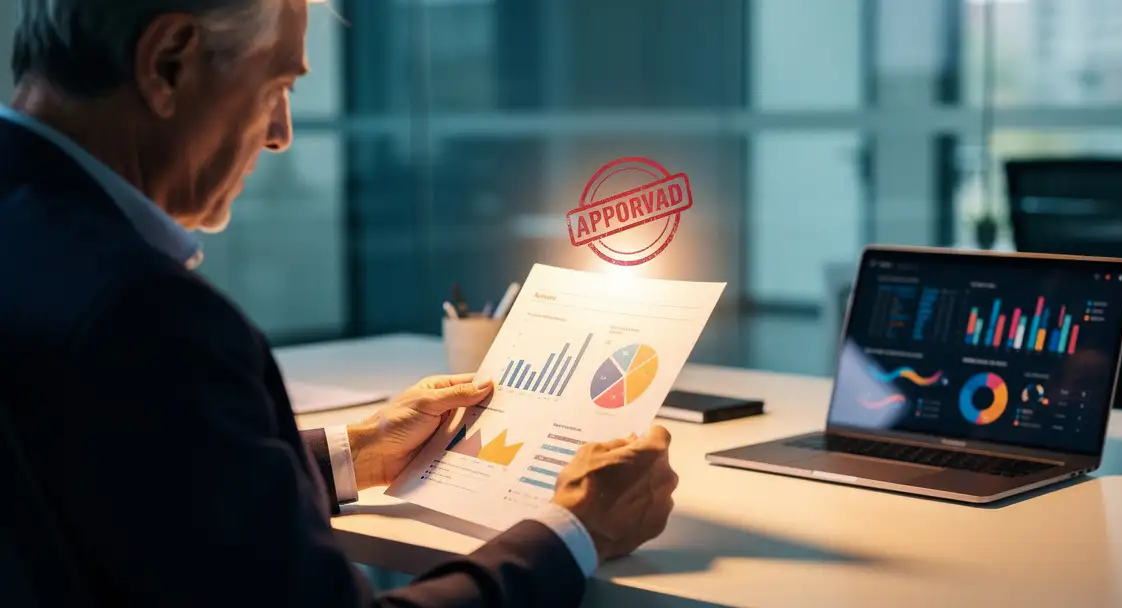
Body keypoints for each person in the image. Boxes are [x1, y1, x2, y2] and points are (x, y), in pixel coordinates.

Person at [0, 0, 678, 606]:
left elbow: (143, 482)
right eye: (278, 86)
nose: (280, 134)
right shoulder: (148, 318)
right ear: (168, 63)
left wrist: (358, 452)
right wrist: (574, 532)